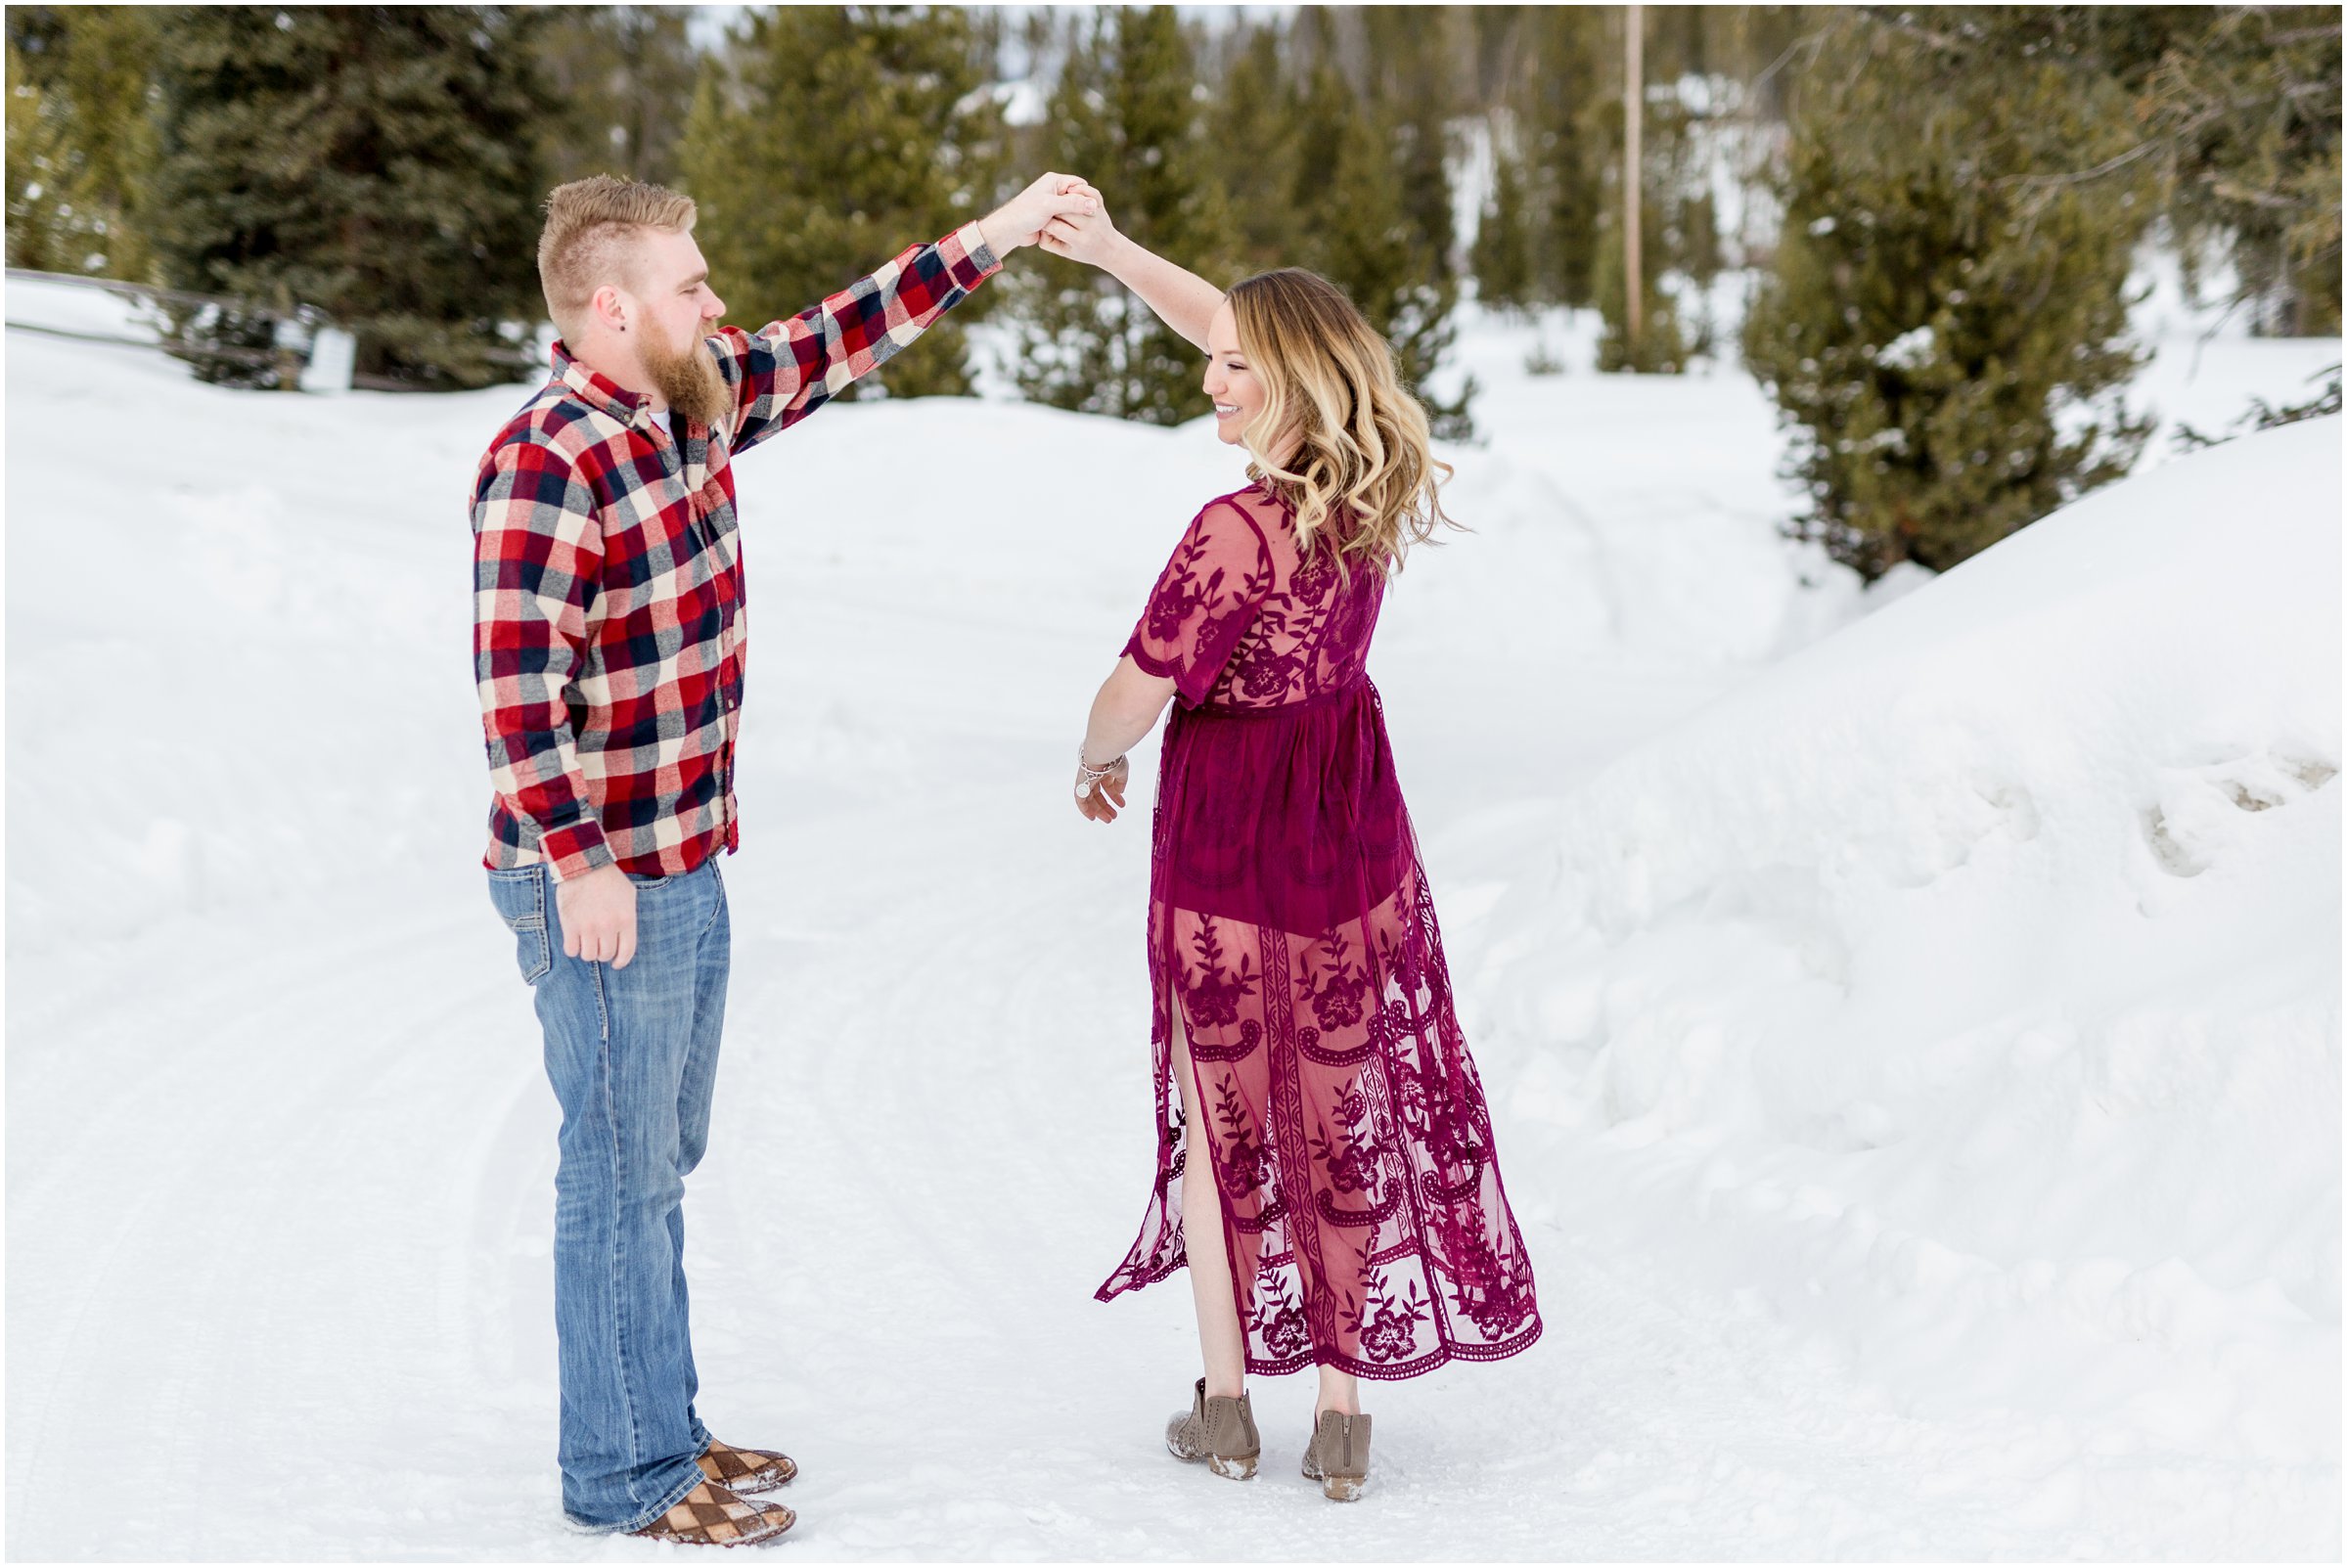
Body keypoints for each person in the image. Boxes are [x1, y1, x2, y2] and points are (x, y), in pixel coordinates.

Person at [472, 170, 1097, 1546]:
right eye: (693, 285)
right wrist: (578, 866)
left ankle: (665, 1430)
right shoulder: (549, 456)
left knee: (657, 1159)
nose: (719, 302)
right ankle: (623, 1476)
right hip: (604, 882)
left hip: (681, 861)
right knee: (616, 1167)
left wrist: (989, 239)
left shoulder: (686, 412)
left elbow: (835, 336)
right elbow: (518, 695)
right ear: (615, 304)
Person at [1040, 206, 1543, 1501]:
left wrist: (1096, 759)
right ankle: (1342, 1418)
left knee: (1226, 1120)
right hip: (1347, 817)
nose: (1208, 374)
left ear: (1286, 381)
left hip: (1232, 826)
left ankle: (1224, 1410)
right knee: (1337, 1098)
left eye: (1232, 366)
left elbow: (1135, 691)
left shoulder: (1234, 528)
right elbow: (1249, 324)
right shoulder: (1367, 494)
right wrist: (1113, 258)